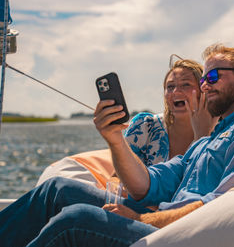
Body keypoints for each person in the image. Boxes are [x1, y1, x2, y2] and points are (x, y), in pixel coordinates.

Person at [0, 43, 234, 247]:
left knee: (77, 219)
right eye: (204, 78)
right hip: (165, 222)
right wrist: (115, 140)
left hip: (186, 237)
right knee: (59, 190)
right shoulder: (208, 140)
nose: (204, 84)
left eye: (211, 76)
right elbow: (146, 185)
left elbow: (224, 206)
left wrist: (143, 218)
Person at [35, 56, 216, 188]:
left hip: (175, 215)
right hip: (134, 208)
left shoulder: (218, 132)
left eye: (185, 85)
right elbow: (116, 178)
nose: (176, 92)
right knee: (58, 187)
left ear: (203, 91)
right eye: (170, 87)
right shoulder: (146, 127)